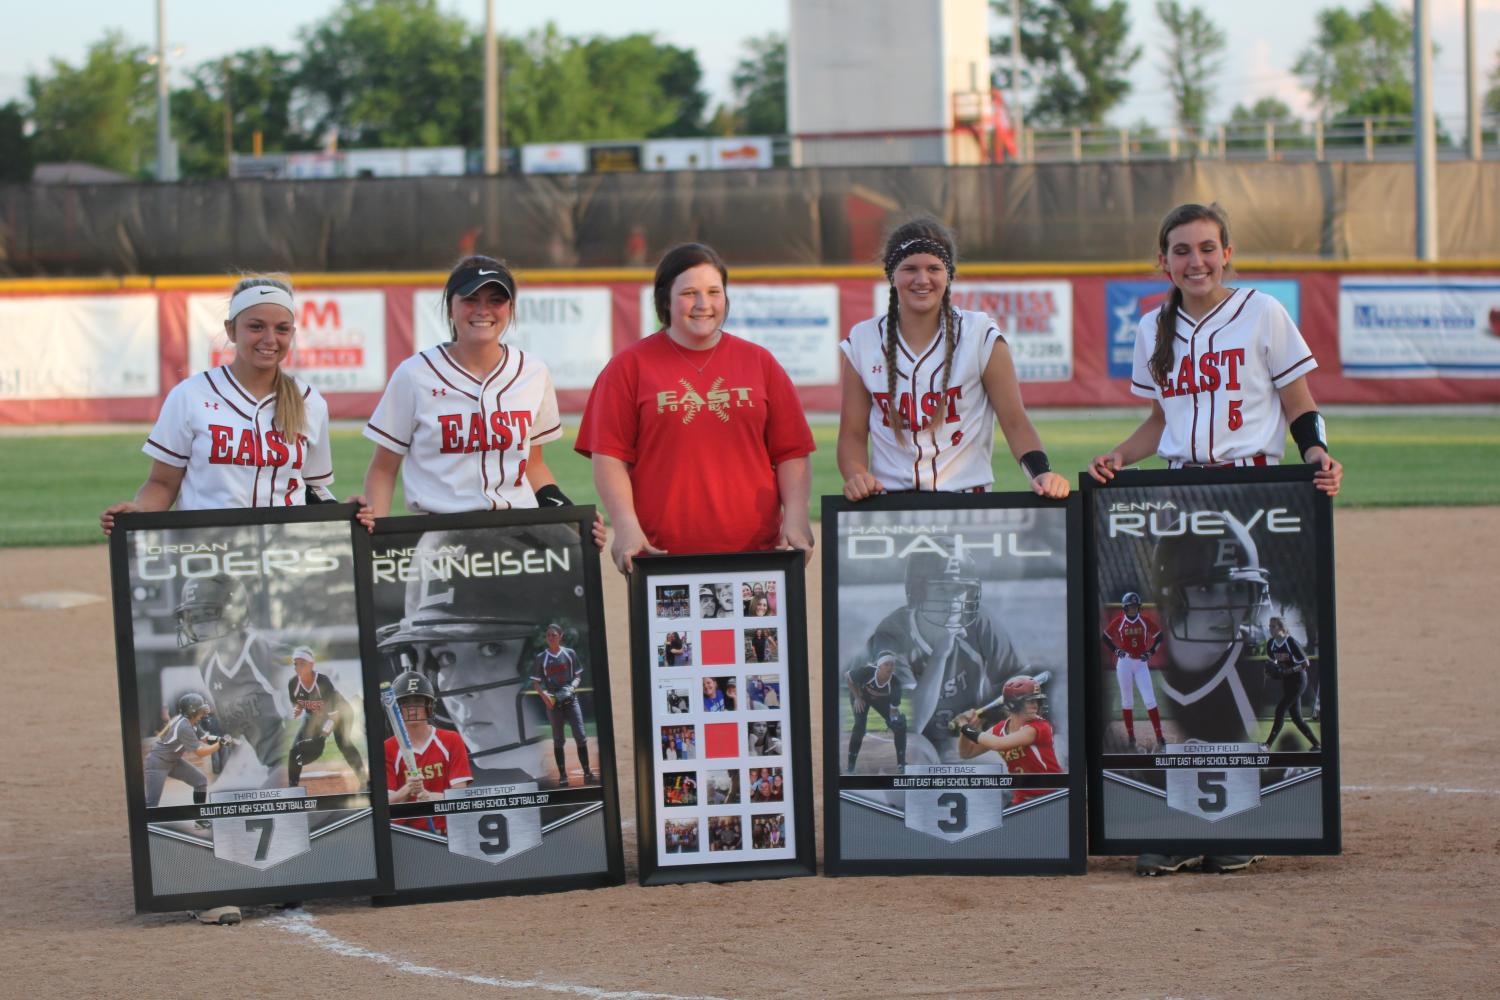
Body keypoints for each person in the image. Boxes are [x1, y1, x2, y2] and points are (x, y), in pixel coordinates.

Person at [1088, 201, 1343, 878]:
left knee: (1242, 651)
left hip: (1254, 490)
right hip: (1178, 497)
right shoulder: (1152, 326)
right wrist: (1118, 456)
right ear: (1163, 261)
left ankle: (1240, 817)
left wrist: (1317, 453)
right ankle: (1180, 821)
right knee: (1186, 655)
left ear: (1227, 252)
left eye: (1206, 248)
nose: (1194, 261)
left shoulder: (1262, 312)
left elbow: (1299, 401)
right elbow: (1157, 421)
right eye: (1181, 250)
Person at [100, 274, 335, 927]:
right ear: (230, 332)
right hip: (211, 590)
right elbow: (161, 484)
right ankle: (213, 875)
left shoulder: (308, 403)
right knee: (245, 720)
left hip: (281, 585)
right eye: (256, 326)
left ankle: (271, 862)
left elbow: (317, 498)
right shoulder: (193, 396)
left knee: (279, 727)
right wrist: (136, 513)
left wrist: (352, 520)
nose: (269, 338)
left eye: (281, 327)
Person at [576, 242, 816, 573]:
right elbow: (609, 458)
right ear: (665, 300)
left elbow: (791, 451)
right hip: (661, 557)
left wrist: (797, 516)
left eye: (714, 292)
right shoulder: (628, 367)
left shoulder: (759, 362)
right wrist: (626, 524)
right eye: (689, 293)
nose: (703, 304)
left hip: (756, 553)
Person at [837, 218, 1069, 501]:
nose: (922, 279)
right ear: (892, 275)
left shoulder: (980, 335)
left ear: (948, 274)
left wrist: (1041, 472)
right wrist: (856, 475)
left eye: (933, 268)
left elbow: (1015, 422)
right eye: (910, 268)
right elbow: (852, 434)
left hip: (967, 502)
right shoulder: (863, 340)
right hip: (889, 505)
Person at [384, 670, 472, 835]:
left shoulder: (451, 740)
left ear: (429, 705)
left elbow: (461, 797)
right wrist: (407, 789)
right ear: (396, 709)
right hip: (406, 836)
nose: (412, 708)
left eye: (418, 701)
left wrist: (430, 796)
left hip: (448, 834)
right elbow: (385, 805)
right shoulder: (387, 748)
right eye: (405, 702)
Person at [956, 675, 1062, 806]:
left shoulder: (1039, 727)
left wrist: (965, 727)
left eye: (1037, 700)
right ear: (1014, 705)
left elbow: (998, 744)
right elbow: (966, 753)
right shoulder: (999, 729)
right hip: (1022, 799)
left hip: (1050, 797)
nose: (1036, 705)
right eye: (1030, 701)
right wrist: (966, 730)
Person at [286, 646, 366, 788]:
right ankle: (293, 788)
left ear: (311, 665)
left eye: (302, 663)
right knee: (294, 750)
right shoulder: (293, 684)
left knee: (343, 743)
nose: (298, 667)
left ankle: (365, 782)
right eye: (295, 663)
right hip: (315, 717)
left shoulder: (322, 683)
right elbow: (299, 703)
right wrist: (297, 709)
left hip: (340, 713)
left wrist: (322, 736)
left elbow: (334, 717)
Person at [1101, 591, 1167, 752]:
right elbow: (1105, 637)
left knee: (1150, 700)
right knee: (1127, 700)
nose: (1133, 609)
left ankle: (1159, 736)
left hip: (1141, 664)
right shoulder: (1119, 621)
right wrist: (1116, 651)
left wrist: (1151, 652)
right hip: (1125, 663)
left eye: (1135, 606)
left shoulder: (1144, 621)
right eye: (1130, 607)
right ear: (1124, 608)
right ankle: (1131, 736)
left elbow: (1159, 637)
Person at [531, 624, 594, 786]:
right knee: (558, 740)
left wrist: (572, 687)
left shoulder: (569, 654)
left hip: (571, 700)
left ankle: (587, 772)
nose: (550, 638)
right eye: (548, 635)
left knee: (580, 736)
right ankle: (563, 775)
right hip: (553, 703)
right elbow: (536, 684)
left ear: (560, 636)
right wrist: (545, 697)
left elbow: (578, 676)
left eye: (554, 635)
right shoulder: (541, 658)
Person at [143, 692, 229, 810]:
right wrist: (220, 744)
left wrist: (220, 739)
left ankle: (200, 819)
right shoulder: (184, 727)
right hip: (158, 763)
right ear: (191, 712)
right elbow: (200, 752)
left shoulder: (192, 722)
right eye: (200, 710)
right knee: (152, 804)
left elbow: (205, 738)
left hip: (173, 761)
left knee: (200, 782)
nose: (203, 712)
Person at [1263, 617, 1321, 751]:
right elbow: (1273, 663)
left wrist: (1288, 670)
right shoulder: (1271, 644)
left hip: (1298, 680)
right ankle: (1317, 745)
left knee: (1280, 709)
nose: (1270, 629)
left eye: (1273, 626)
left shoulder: (1290, 642)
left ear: (1281, 628)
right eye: (1270, 626)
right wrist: (1269, 672)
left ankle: (1267, 745)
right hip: (1287, 681)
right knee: (1297, 718)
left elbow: (1306, 663)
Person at [845, 656, 908, 772]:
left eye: (892, 665)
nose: (890, 667)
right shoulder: (867, 671)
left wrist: (893, 720)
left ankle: (901, 763)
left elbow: (893, 708)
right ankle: (851, 763)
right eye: (886, 664)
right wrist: (857, 697)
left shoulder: (895, 683)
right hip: (861, 696)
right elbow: (848, 677)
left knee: (900, 726)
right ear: (879, 666)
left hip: (881, 701)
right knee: (859, 726)